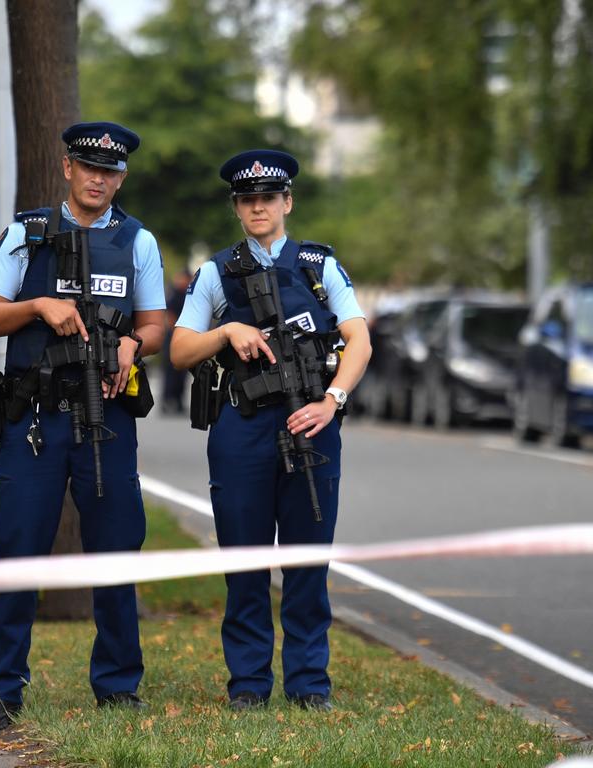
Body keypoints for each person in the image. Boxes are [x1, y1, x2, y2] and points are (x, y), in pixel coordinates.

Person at [0, 121, 166, 734]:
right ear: (67, 169)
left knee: (115, 548)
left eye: (110, 171)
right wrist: (37, 307)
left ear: (121, 177)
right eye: (88, 167)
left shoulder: (138, 241)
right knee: (19, 548)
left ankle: (118, 687)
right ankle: (0, 692)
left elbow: (158, 325)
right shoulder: (27, 233)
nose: (99, 178)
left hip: (105, 420)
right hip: (35, 422)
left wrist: (134, 343)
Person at [169, 149, 371, 712]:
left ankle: (309, 684)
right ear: (237, 208)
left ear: (287, 202)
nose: (258, 207)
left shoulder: (318, 265)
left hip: (312, 422)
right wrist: (226, 330)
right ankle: (249, 685)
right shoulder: (216, 271)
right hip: (242, 427)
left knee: (308, 560)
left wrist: (332, 401)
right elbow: (181, 349)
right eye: (247, 200)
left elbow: (359, 339)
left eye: (268, 198)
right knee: (245, 561)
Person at [160, 268, 192, 414]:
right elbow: (169, 315)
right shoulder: (175, 293)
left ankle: (178, 401)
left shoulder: (188, 294)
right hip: (173, 336)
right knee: (169, 372)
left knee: (182, 373)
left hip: (185, 337)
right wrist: (176, 330)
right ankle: (167, 401)